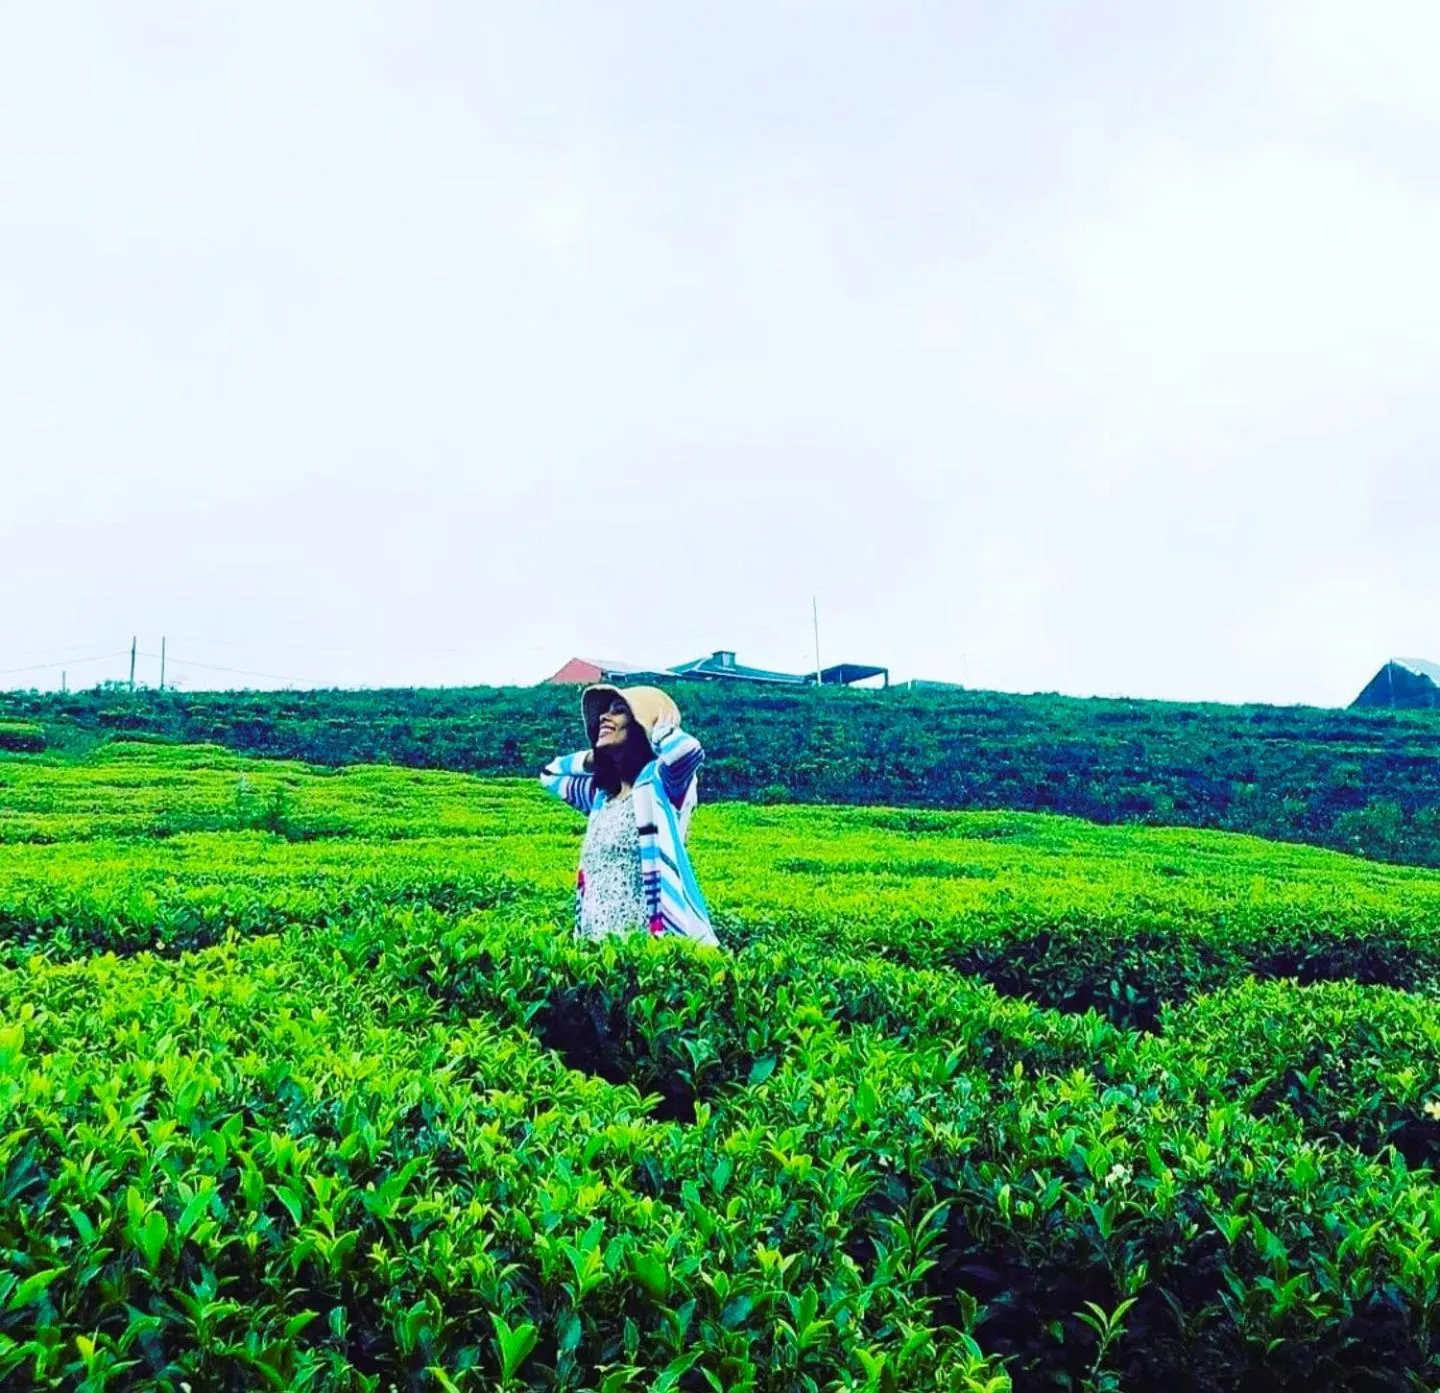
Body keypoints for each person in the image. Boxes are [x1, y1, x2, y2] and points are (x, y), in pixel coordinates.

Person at [540, 684, 718, 946]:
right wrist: (596, 756)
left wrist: (659, 728)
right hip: (595, 948)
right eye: (603, 712)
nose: (604, 717)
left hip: (646, 949)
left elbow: (686, 751)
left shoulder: (661, 785)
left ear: (640, 725)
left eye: (618, 711)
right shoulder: (601, 796)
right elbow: (550, 774)